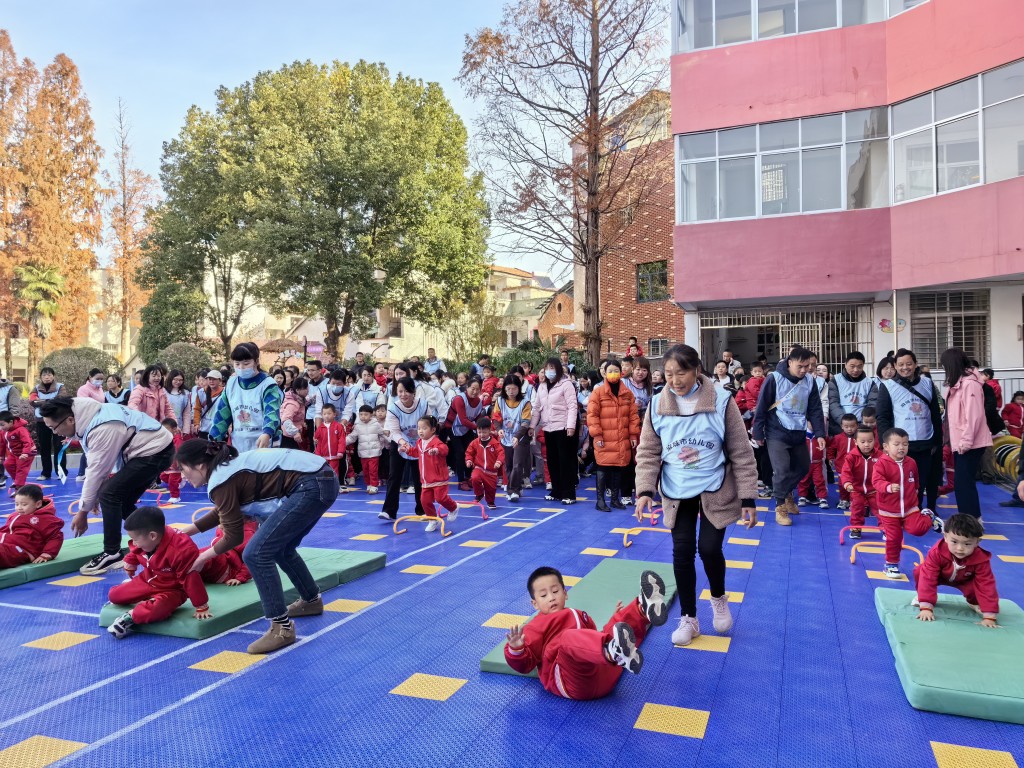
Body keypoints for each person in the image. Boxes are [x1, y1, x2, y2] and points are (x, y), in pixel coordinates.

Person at [634, 344, 758, 647]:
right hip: (677, 489)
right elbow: (648, 452)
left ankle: (718, 597)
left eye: (682, 373)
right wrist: (644, 491)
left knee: (710, 549)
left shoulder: (722, 401)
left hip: (714, 486)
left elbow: (741, 452)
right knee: (682, 550)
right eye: (669, 374)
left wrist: (748, 498)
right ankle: (689, 617)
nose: (675, 380)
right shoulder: (657, 404)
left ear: (697, 370)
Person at [177, 441, 338, 653]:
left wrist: (201, 558)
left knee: (256, 553)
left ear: (199, 466)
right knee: (282, 549)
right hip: (323, 479)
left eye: (183, 469)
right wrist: (186, 532)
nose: (182, 476)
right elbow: (224, 510)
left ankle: (281, 628)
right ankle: (311, 600)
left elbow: (233, 536)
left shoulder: (220, 479)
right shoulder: (226, 470)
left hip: (310, 485)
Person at [40, 397, 174, 575]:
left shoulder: (101, 427)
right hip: (152, 449)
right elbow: (97, 465)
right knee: (120, 501)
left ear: (69, 420)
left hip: (155, 451)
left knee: (110, 494)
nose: (54, 433)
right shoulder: (85, 418)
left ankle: (112, 553)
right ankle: (162, 541)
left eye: (53, 428)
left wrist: (83, 512)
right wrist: (94, 498)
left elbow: (96, 472)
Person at [503, 566, 668, 700]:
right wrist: (516, 649)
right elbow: (525, 665)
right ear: (535, 604)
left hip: (603, 673)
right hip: (572, 682)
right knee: (567, 638)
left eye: (555, 591)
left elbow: (591, 643)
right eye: (544, 595)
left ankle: (643, 608)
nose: (551, 597)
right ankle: (614, 651)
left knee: (612, 627)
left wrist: (613, 622)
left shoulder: (580, 615)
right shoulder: (536, 625)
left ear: (565, 593)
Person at [107, 506, 211, 639]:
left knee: (158, 610)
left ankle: (128, 618)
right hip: (148, 579)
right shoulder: (148, 540)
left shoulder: (182, 550)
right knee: (114, 596)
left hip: (173, 590)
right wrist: (131, 561)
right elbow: (137, 549)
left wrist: (201, 605)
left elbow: (190, 577)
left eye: (135, 539)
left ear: (152, 536)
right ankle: (143, 595)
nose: (134, 543)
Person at [752, 346, 826, 526]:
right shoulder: (774, 378)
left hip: (798, 431)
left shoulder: (810, 381)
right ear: (790, 362)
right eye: (800, 366)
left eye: (807, 366)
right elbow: (762, 406)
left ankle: (786, 493)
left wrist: (820, 433)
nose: (804, 370)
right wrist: (757, 432)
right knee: (782, 469)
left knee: (803, 467)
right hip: (776, 431)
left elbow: (815, 409)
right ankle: (780, 506)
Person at [875, 348, 943, 512]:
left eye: (909, 364)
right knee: (905, 481)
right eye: (901, 365)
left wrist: (938, 440)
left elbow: (935, 413)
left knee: (927, 479)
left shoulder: (927, 383)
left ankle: (930, 510)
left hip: (926, 441)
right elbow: (882, 417)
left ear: (915, 364)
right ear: (895, 366)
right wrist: (886, 443)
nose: (905, 368)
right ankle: (909, 511)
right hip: (902, 444)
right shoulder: (888, 386)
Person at [873, 428, 944, 579]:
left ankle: (928, 516)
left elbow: (916, 479)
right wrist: (888, 487)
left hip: (910, 507)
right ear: (886, 447)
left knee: (918, 530)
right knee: (894, 539)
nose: (901, 447)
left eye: (905, 444)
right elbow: (876, 481)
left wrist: (916, 490)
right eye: (897, 444)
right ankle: (891, 564)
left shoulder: (911, 462)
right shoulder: (881, 464)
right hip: (889, 511)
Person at [914, 513, 998, 627]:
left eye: (967, 543)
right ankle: (922, 598)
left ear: (977, 542)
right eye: (954, 542)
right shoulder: (936, 552)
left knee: (978, 587)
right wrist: (926, 607)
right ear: (945, 537)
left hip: (966, 580)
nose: (960, 548)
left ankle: (973, 602)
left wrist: (989, 616)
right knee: (921, 571)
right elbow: (928, 577)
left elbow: (986, 584)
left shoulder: (981, 559)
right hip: (940, 576)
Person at [940, 348, 992, 520]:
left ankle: (971, 521)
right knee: (962, 483)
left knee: (964, 483)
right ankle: (969, 519)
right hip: (961, 442)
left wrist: (966, 441)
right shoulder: (958, 383)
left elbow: (974, 415)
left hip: (970, 443)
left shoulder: (970, 384)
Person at [209, 344, 283, 453]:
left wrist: (267, 433)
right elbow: (221, 415)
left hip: (263, 441)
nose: (241, 368)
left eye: (246, 363)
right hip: (238, 443)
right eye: (237, 364)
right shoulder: (231, 384)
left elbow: (272, 412)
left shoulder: (268, 384)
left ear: (256, 361)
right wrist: (213, 441)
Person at [587, 359, 640, 512]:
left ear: (621, 373)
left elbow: (633, 416)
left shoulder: (627, 394)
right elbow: (592, 416)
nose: (613, 374)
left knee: (618, 468)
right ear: (604, 373)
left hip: (621, 437)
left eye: (616, 371)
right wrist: (597, 436)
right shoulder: (598, 393)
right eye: (610, 371)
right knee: (602, 468)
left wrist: (633, 435)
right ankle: (600, 500)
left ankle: (615, 499)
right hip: (604, 438)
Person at [529, 358, 579, 505]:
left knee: (565, 462)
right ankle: (556, 491)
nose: (548, 371)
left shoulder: (566, 384)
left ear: (557, 369)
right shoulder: (542, 386)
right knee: (552, 461)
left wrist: (571, 426)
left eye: (551, 368)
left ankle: (569, 493)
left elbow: (572, 406)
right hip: (548, 428)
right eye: (546, 368)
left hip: (563, 428)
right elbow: (537, 408)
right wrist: (532, 426)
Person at [399, 415, 459, 533]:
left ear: (433, 430)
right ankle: (432, 519)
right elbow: (416, 452)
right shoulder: (419, 442)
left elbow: (445, 449)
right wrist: (407, 450)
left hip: (439, 478)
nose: (420, 431)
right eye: (419, 428)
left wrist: (437, 450)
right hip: (426, 480)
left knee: (441, 498)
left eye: (424, 428)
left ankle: (454, 507)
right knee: (424, 501)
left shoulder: (436, 442)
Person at [380, 378, 430, 521]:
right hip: (399, 443)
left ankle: (422, 510)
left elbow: (429, 426)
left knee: (419, 478)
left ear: (413, 392)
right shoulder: (393, 408)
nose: (403, 394)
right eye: (400, 391)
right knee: (394, 476)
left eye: (407, 391)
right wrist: (403, 443)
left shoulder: (423, 405)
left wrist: (424, 442)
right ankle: (389, 511)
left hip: (420, 443)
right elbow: (394, 431)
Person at [0, 484, 63, 568]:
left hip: (22, 549)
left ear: (38, 504)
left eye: (24, 504)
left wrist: (47, 553)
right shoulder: (14, 515)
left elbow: (55, 537)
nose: (19, 508)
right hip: (6, 543)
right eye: (17, 504)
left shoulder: (45, 519)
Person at [492, 375, 532, 503]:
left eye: (514, 388)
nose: (511, 391)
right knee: (508, 465)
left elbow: (526, 422)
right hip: (506, 437)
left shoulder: (525, 402)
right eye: (508, 388)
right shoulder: (500, 401)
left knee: (517, 464)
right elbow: (496, 417)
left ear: (519, 389)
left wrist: (517, 436)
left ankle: (513, 490)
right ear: (504, 388)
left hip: (521, 437)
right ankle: (516, 487)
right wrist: (499, 429)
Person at [840, 425, 882, 539]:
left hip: (874, 490)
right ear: (856, 442)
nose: (867, 444)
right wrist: (847, 483)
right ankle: (856, 528)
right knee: (857, 508)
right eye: (863, 442)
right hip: (856, 489)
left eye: (870, 441)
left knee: (881, 508)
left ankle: (885, 528)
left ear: (875, 440)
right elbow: (846, 471)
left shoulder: (880, 456)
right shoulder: (851, 456)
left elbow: (886, 471)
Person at [29, 367, 68, 481]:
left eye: (49, 375)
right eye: (44, 375)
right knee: (44, 447)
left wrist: (42, 401)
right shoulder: (36, 388)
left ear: (53, 376)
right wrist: (50, 401)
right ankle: (46, 473)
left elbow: (60, 400)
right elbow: (32, 401)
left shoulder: (60, 387)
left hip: (57, 421)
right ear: (41, 377)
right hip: (41, 421)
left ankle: (61, 472)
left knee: (59, 447)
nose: (47, 377)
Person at [447, 377, 485, 491]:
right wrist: (479, 429)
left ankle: (468, 477)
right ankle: (461, 481)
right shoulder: (459, 399)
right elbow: (463, 420)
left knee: (471, 452)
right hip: (453, 427)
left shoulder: (479, 402)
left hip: (467, 428)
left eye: (477, 389)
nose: (475, 391)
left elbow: (478, 417)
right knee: (460, 453)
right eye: (472, 388)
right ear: (467, 388)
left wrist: (484, 426)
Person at [198, 518, 259, 586]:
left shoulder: (245, 535)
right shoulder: (226, 527)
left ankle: (191, 570)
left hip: (229, 569)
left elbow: (251, 558)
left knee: (205, 558)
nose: (219, 526)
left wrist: (240, 577)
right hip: (220, 561)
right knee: (199, 554)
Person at [828, 352, 876, 436]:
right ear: (845, 365)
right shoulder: (836, 380)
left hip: (862, 427)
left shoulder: (870, 383)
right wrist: (846, 424)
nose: (856, 370)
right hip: (840, 426)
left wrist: (863, 423)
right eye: (852, 366)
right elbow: (833, 403)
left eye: (859, 366)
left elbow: (872, 404)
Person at [465, 416, 503, 510]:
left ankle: (490, 501)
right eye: (479, 432)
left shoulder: (495, 443)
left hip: (491, 471)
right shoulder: (475, 443)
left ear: (490, 430)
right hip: (479, 468)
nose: (482, 435)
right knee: (474, 478)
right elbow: (469, 452)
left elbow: (501, 453)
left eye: (484, 432)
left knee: (491, 489)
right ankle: (479, 494)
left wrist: (498, 462)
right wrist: (469, 460)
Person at [346, 405, 383, 493]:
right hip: (363, 453)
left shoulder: (376, 424)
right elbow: (352, 437)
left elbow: (383, 434)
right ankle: (369, 484)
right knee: (365, 470)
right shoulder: (357, 426)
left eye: (366, 414)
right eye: (361, 414)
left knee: (373, 470)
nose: (363, 416)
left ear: (371, 415)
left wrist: (390, 441)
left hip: (374, 452)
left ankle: (374, 485)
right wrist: (341, 443)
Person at [1, 410, 38, 492]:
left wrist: (25, 453)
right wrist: (1, 456)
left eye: (3, 425)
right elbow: (2, 444)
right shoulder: (3, 432)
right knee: (7, 464)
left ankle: (19, 488)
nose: (1, 427)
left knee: (21, 468)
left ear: (11, 422)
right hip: (15, 453)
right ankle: (18, 482)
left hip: (27, 452)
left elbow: (27, 442)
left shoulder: (21, 430)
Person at [830, 414, 860, 511]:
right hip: (841, 466)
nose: (849, 429)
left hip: (856, 467)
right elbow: (831, 448)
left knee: (854, 484)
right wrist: (830, 458)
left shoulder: (860, 438)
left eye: (852, 426)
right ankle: (843, 500)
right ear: (842, 426)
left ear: (857, 426)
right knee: (842, 484)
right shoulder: (837, 438)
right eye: (846, 426)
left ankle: (853, 501)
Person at [314, 403, 348, 480]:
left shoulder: (338, 426)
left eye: (329, 413)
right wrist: (318, 454)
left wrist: (340, 451)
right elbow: (317, 442)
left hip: (334, 455)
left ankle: (334, 485)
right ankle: (328, 485)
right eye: (324, 414)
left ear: (334, 414)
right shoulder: (320, 428)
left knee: (334, 471)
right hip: (323, 456)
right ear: (322, 415)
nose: (326, 416)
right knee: (325, 471)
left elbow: (342, 440)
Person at [303, 360, 329, 449]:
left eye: (313, 370)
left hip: (324, 416)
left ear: (320, 370)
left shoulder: (328, 382)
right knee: (313, 442)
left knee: (324, 442)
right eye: (308, 370)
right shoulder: (307, 384)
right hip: (310, 416)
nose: (310, 373)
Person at [158, 418, 185, 503]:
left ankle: (175, 496)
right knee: (162, 476)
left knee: (172, 481)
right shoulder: (166, 439)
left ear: (174, 429)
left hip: (175, 465)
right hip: (168, 464)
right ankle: (180, 480)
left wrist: (179, 464)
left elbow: (179, 452)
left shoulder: (178, 440)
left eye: (166, 429)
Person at [280, 378, 309, 451]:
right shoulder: (293, 404)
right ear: (298, 390)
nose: (307, 390)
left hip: (294, 434)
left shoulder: (299, 399)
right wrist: (295, 432)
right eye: (305, 388)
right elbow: (285, 419)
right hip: (290, 437)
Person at [192, 369, 223, 439]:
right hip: (204, 428)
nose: (211, 381)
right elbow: (197, 409)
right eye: (209, 379)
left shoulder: (225, 392)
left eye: (214, 379)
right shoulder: (201, 392)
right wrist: (196, 423)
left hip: (219, 427)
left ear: (220, 381)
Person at [623, 356, 653, 421]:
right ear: (632, 369)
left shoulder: (649, 388)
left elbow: (650, 407)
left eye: (644, 370)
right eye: (638, 369)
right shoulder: (623, 382)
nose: (641, 372)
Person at [165, 370, 191, 437]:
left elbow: (187, 413)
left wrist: (186, 429)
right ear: (170, 378)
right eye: (175, 379)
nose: (178, 382)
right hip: (164, 425)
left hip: (179, 426)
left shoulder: (185, 394)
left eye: (180, 380)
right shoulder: (163, 391)